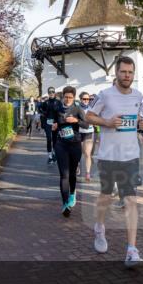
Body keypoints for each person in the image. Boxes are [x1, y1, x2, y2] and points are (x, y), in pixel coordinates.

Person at [85, 56, 143, 268]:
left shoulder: (138, 95)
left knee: (130, 200)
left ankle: (132, 250)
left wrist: (142, 123)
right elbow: (88, 116)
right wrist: (107, 122)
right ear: (116, 73)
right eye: (123, 72)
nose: (127, 76)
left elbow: (137, 117)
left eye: (130, 72)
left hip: (130, 156)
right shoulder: (105, 95)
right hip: (108, 156)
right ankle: (99, 227)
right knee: (106, 196)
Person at [52, 86, 88, 218]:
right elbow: (53, 124)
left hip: (75, 145)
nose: (67, 99)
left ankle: (72, 193)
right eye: (66, 97)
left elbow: (86, 125)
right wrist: (54, 127)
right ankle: (65, 204)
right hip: (61, 145)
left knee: (72, 174)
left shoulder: (77, 109)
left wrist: (76, 120)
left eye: (70, 97)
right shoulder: (57, 109)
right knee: (64, 175)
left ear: (74, 98)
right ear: (63, 97)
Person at [77, 91, 96, 181]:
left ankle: (87, 173)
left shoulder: (92, 108)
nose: (86, 100)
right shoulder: (76, 109)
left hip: (89, 132)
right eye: (84, 99)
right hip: (79, 133)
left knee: (87, 153)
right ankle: (77, 167)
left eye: (88, 99)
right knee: (78, 153)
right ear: (80, 99)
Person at [39, 87, 60, 163]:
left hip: (56, 123)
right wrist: (44, 114)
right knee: (49, 139)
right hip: (48, 122)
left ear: (54, 93)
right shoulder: (46, 102)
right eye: (50, 92)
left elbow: (61, 112)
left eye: (52, 92)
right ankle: (50, 156)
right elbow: (40, 109)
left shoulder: (58, 102)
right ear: (48, 93)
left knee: (55, 140)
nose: (51, 93)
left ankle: (54, 154)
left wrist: (58, 122)